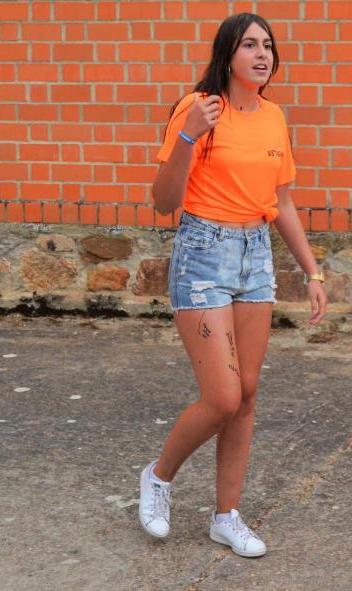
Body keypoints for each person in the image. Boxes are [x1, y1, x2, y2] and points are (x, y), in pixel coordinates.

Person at [139, 13, 327, 558]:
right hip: (203, 253)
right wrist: (188, 134)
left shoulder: (274, 117)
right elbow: (164, 201)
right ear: (227, 54)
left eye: (267, 45)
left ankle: (226, 516)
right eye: (249, 45)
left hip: (255, 256)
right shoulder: (199, 108)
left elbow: (282, 202)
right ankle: (159, 476)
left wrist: (312, 271)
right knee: (221, 395)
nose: (262, 54)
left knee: (244, 395)